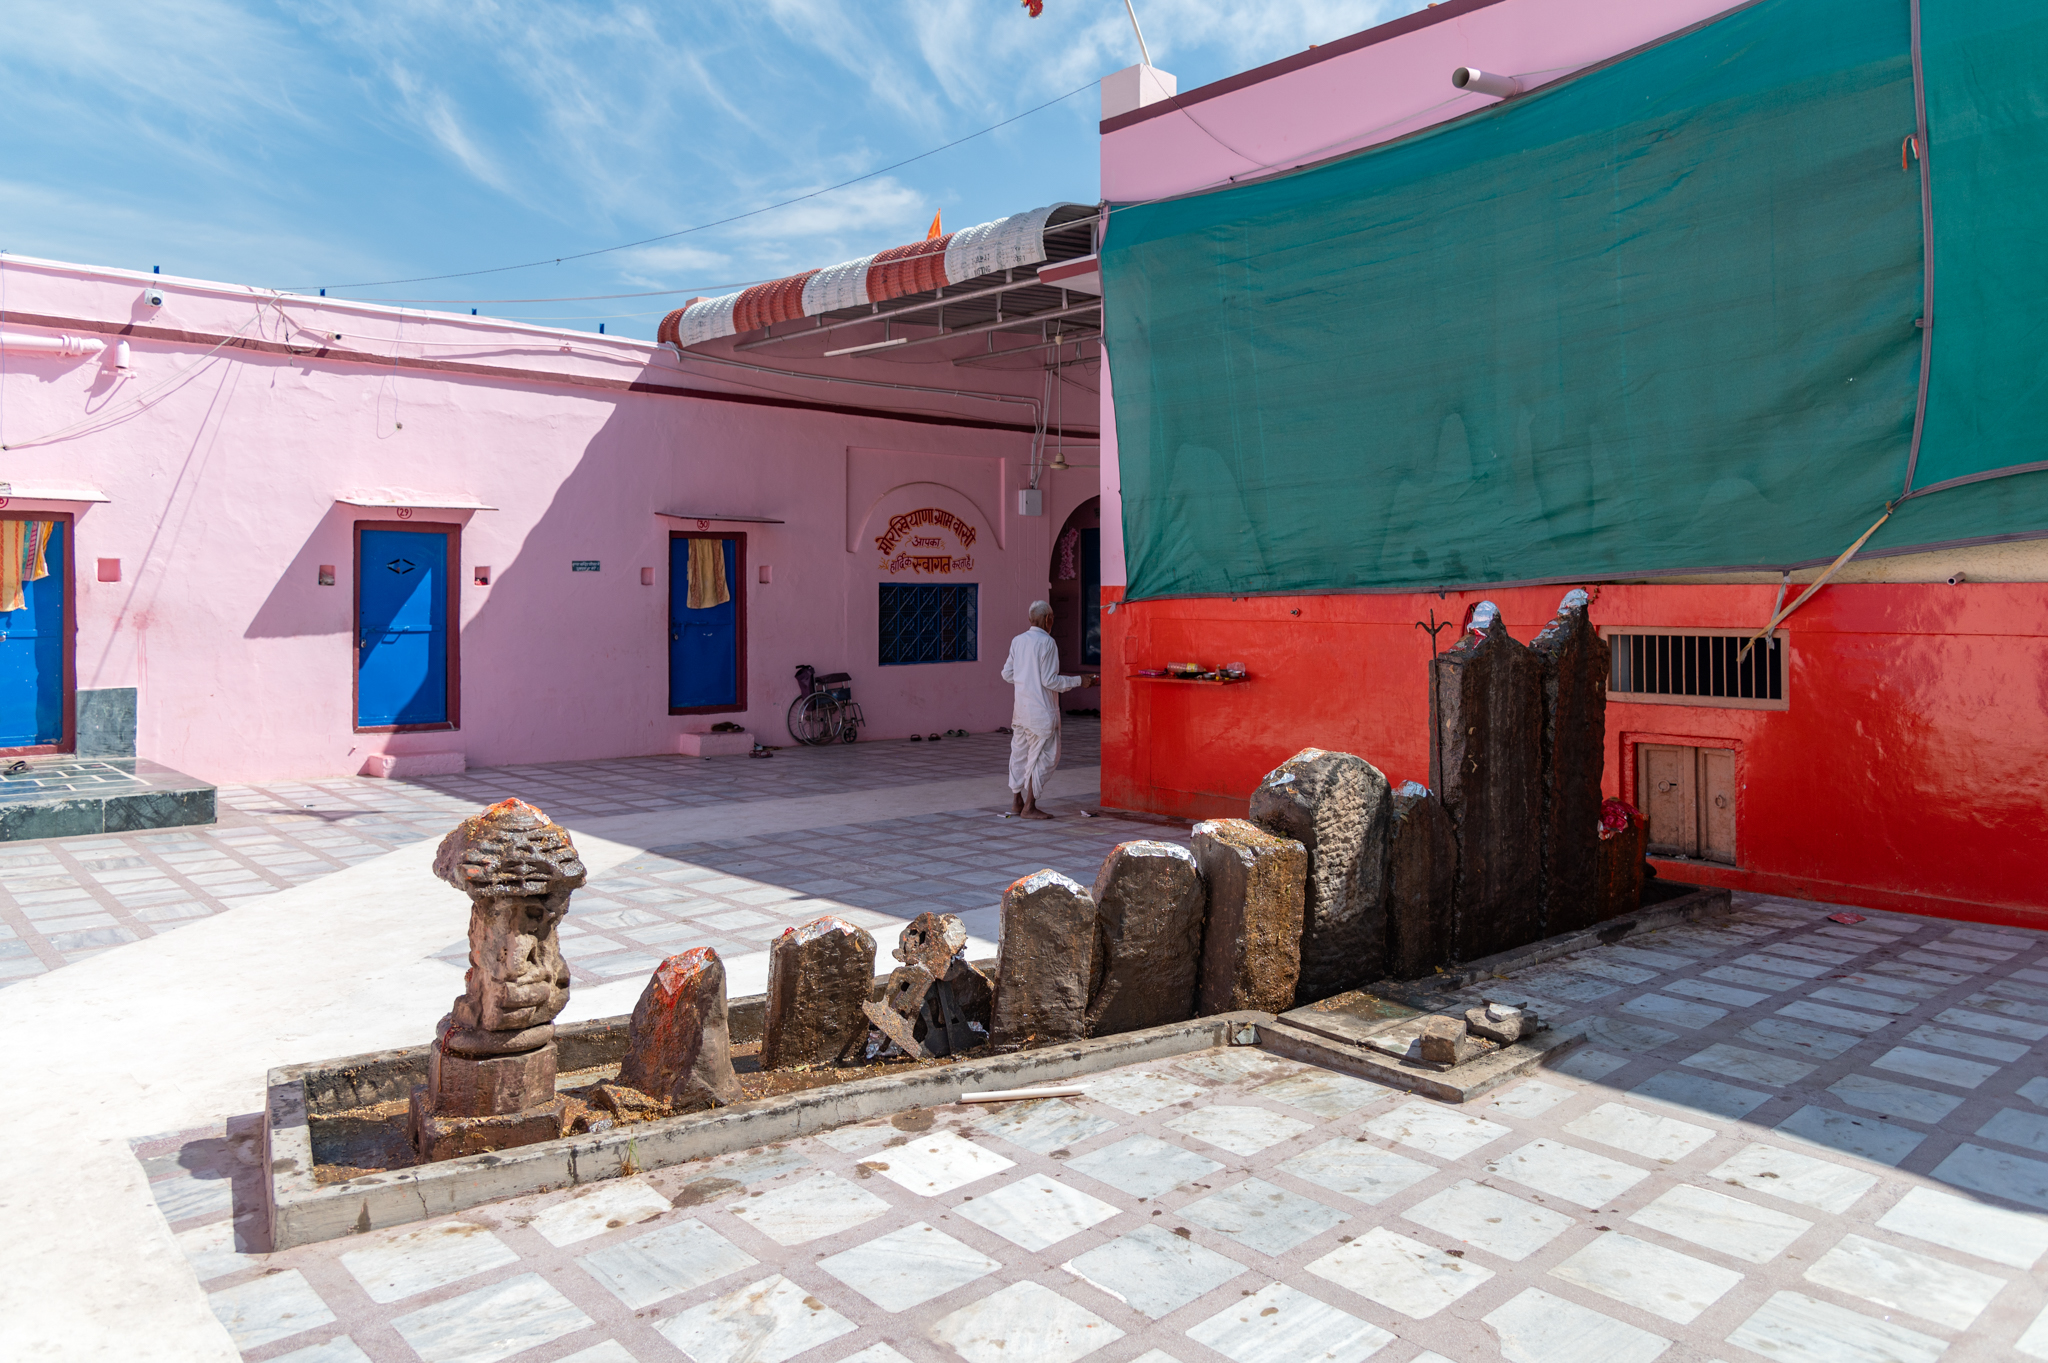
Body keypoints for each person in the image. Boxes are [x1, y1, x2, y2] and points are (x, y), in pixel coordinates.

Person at [1001, 601, 1098, 819]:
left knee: (1019, 754)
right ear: (1048, 620)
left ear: (1030, 619)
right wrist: (1079, 681)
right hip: (1041, 713)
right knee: (1045, 757)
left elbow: (1007, 674)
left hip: (1021, 711)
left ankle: (1016, 801)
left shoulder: (1018, 641)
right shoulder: (1048, 642)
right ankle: (1029, 806)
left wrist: (1026, 679)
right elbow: (1050, 681)